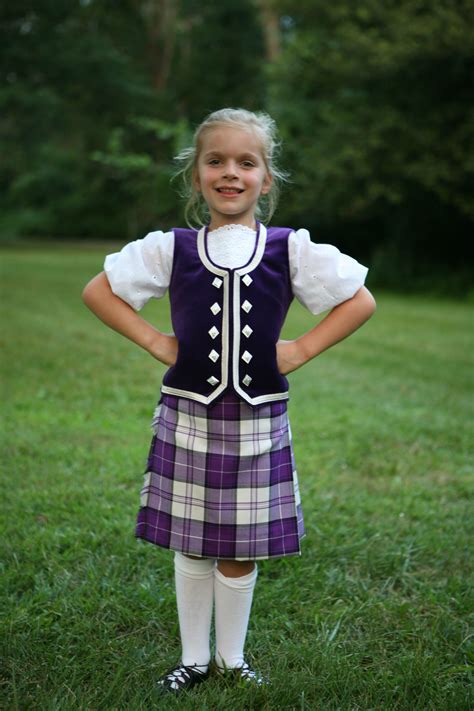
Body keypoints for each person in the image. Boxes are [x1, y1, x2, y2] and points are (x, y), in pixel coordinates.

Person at [82, 107, 376, 695]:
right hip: (188, 413)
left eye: (247, 162)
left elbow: (359, 300)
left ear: (267, 179)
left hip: (258, 421)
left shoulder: (289, 249)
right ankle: (192, 659)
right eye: (215, 161)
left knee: (241, 547)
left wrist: (297, 351)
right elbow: (99, 291)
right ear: (197, 175)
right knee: (191, 541)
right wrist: (156, 341)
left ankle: (231, 660)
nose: (230, 173)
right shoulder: (174, 248)